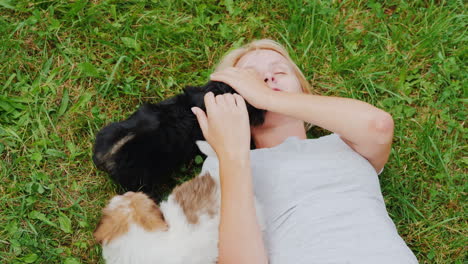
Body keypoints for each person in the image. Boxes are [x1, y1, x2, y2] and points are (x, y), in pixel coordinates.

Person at [191, 39, 418, 264]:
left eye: (279, 71)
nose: (268, 79)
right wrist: (233, 155)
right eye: (250, 78)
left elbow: (379, 126)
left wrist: (268, 97)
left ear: (302, 90)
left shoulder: (344, 142)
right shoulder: (223, 165)